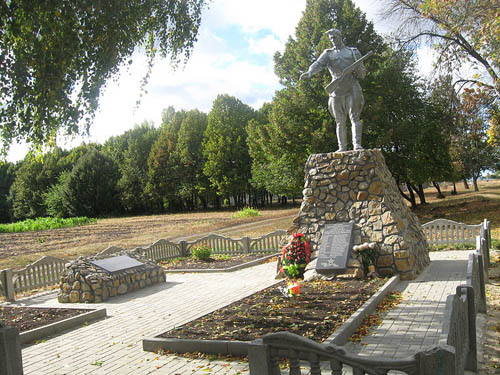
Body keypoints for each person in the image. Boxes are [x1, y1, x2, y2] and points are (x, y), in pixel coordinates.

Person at [300, 28, 367, 151]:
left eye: (334, 37)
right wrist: (309, 73)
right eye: (330, 38)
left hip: (353, 87)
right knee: (340, 121)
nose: (333, 40)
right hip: (336, 89)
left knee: (355, 117)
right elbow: (318, 64)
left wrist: (360, 72)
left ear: (340, 37)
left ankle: (357, 144)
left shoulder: (353, 52)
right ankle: (342, 147)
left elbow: (362, 70)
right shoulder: (328, 53)